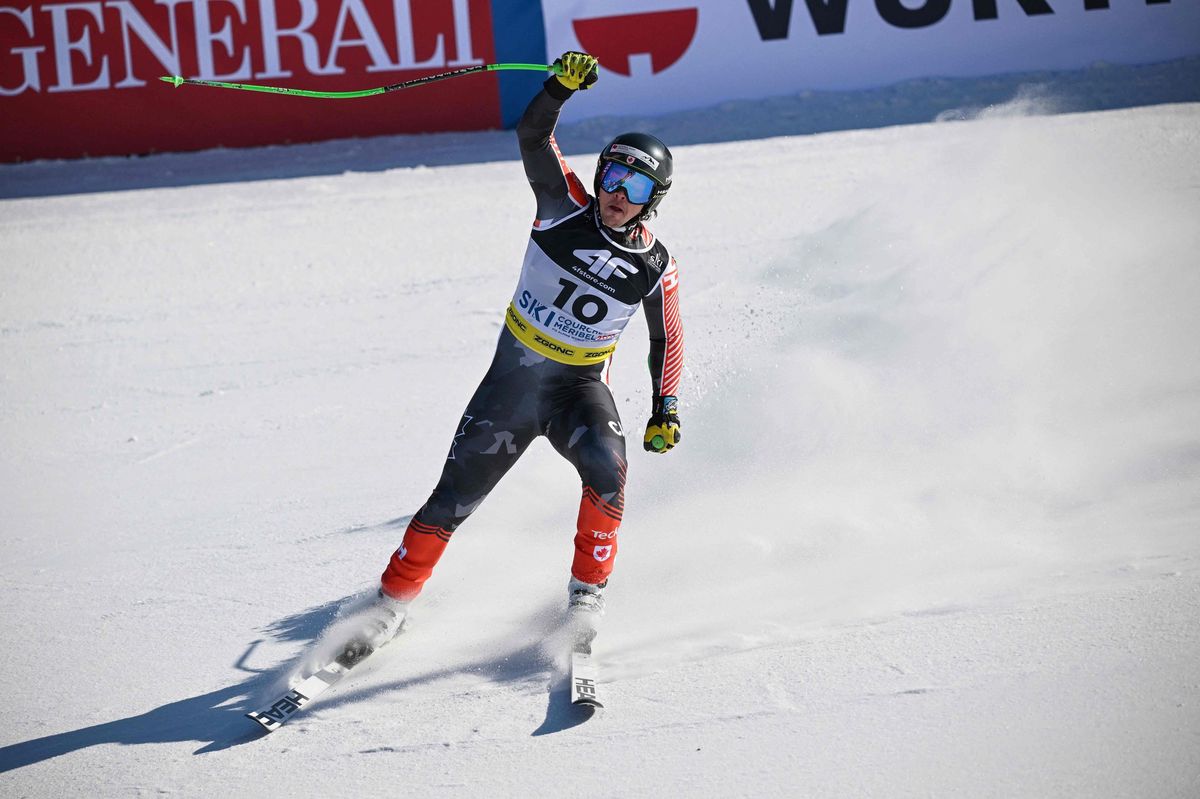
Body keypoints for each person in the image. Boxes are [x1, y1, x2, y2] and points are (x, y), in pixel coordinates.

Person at [343, 52, 684, 656]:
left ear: (654, 198)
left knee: (609, 474)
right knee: (451, 500)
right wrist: (557, 89)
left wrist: (667, 407)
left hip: (577, 392)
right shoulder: (562, 207)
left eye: (635, 188)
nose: (617, 195)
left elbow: (667, 338)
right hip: (513, 387)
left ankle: (586, 597)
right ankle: (391, 604)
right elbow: (534, 135)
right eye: (611, 178)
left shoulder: (655, 265)